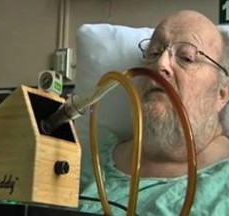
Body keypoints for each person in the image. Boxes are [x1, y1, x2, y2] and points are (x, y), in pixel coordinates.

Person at [78, 10, 229, 215]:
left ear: (221, 93)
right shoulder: (88, 166)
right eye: (154, 53)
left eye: (186, 57)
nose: (160, 65)